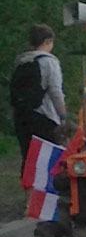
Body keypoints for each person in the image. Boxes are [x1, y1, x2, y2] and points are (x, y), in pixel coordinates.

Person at [11, 24, 66, 172]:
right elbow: (55, 92)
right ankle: (47, 192)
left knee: (28, 157)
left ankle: (29, 193)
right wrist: (63, 116)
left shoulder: (21, 61)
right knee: (48, 158)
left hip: (22, 115)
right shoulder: (49, 61)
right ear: (48, 41)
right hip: (43, 116)